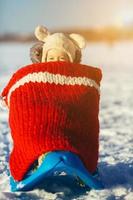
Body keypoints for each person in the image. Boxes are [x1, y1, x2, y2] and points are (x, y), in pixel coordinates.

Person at [1, 25, 102, 186]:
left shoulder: (80, 77)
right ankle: (40, 157)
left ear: (71, 61)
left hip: (72, 127)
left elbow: (87, 107)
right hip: (42, 124)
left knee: (80, 126)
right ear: (42, 59)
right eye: (51, 58)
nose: (56, 62)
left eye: (62, 59)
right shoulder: (35, 75)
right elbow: (22, 92)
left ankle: (79, 162)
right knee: (32, 124)